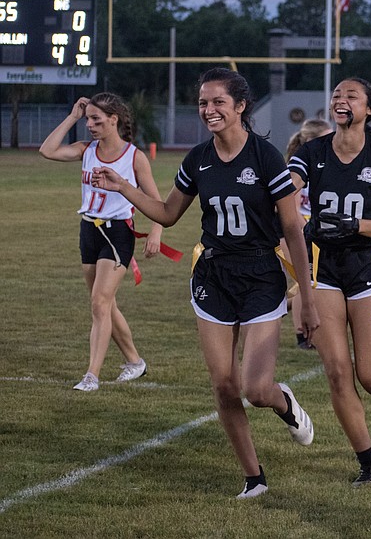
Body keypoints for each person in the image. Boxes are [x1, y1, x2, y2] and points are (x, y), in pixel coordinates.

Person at [91, 67, 319, 498]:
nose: (208, 109)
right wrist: (123, 186)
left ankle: (283, 402)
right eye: (202, 102)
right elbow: (167, 213)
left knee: (255, 388)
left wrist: (306, 298)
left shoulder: (266, 157)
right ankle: (254, 478)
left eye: (217, 102)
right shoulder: (198, 158)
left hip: (260, 276)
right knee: (223, 385)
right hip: (213, 274)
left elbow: (292, 230)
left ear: (240, 106)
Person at [287, 77, 371, 487]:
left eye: (352, 96)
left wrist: (354, 224)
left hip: (367, 271)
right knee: (337, 372)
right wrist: (290, 213)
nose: (341, 100)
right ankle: (369, 463)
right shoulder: (312, 152)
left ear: (368, 109)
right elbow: (288, 191)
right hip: (324, 271)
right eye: (336, 95)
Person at [39, 93, 164, 392]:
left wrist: (156, 234)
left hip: (118, 233)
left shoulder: (134, 157)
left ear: (114, 119)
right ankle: (135, 362)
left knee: (99, 302)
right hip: (88, 231)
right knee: (105, 305)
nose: (90, 125)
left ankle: (91, 376)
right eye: (87, 119)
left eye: (96, 119)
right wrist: (71, 116)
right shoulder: (86, 150)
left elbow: (156, 201)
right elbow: (47, 150)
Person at [283, 118, 333, 350]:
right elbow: (291, 207)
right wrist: (303, 232)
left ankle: (279, 308)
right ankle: (301, 335)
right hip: (293, 229)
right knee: (304, 281)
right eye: (327, 137)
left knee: (313, 281)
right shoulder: (298, 164)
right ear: (311, 141)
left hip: (315, 229)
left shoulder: (327, 162)